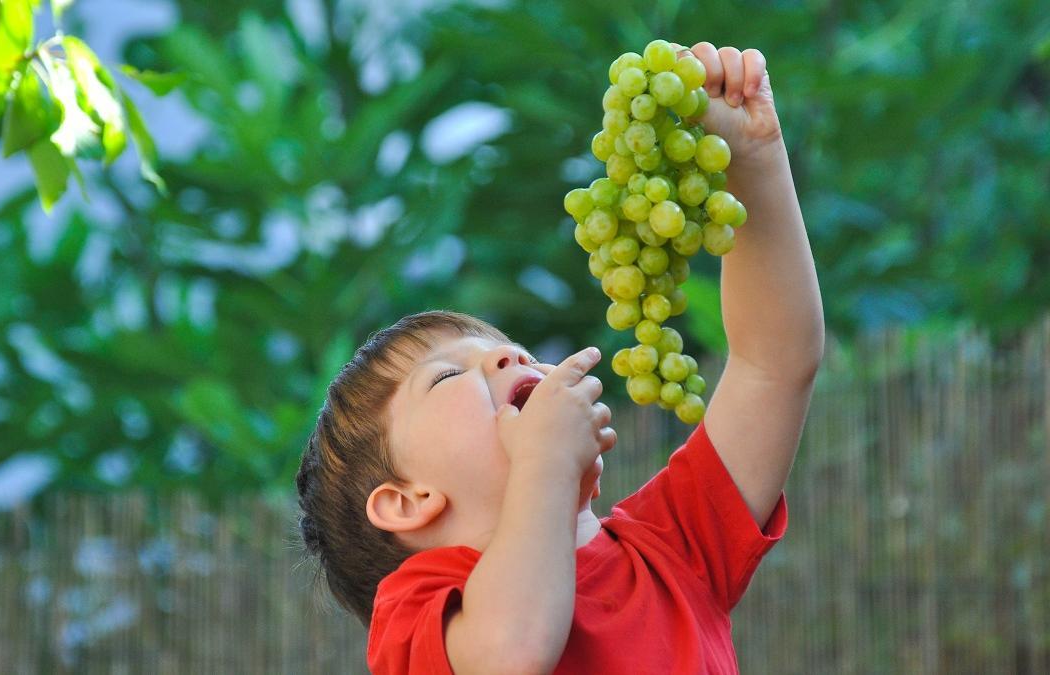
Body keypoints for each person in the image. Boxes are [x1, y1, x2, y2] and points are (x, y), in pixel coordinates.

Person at [294, 41, 824, 674]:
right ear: (408, 501)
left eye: (513, 353)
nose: (505, 360)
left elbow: (775, 364)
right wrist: (543, 461)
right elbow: (511, 654)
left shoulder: (672, 548)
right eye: (445, 377)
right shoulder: (420, 613)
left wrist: (756, 158)